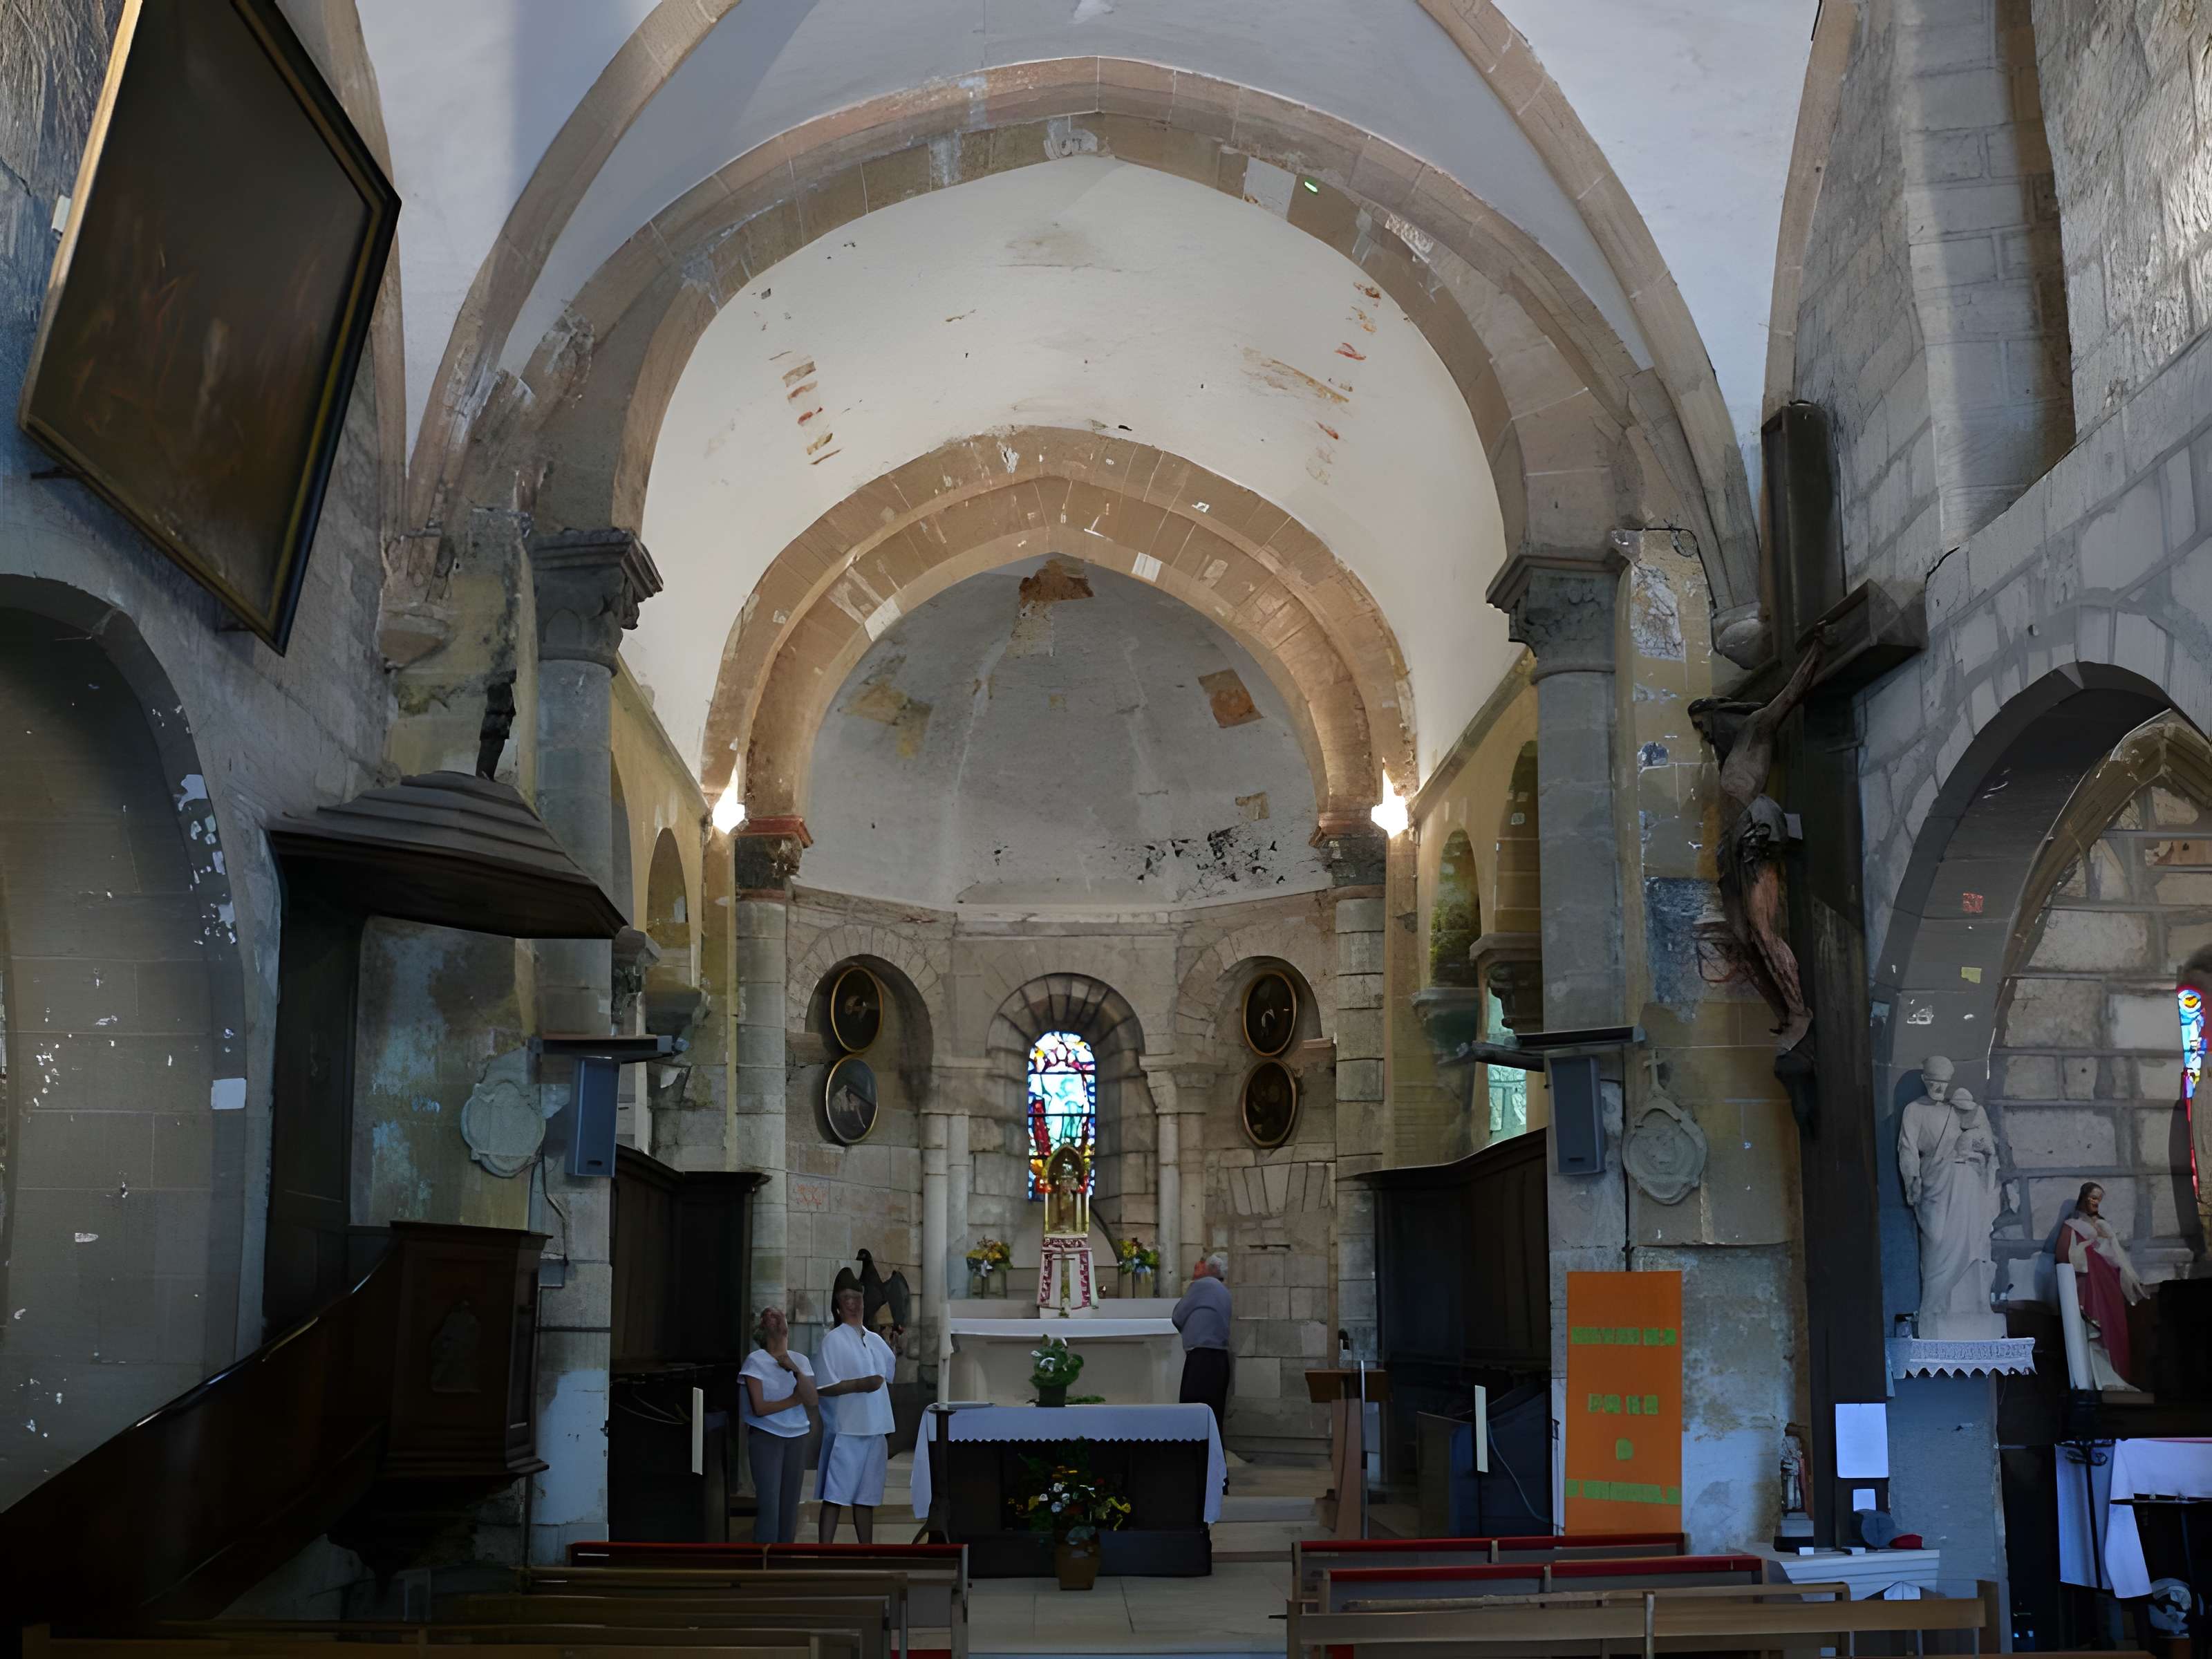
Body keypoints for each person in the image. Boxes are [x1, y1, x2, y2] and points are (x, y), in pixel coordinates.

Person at [814, 1284, 897, 1541]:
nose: (853, 1303)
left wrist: (894, 1344)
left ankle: (867, 1552)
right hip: (848, 1429)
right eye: (846, 1299)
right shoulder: (834, 1339)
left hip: (876, 1427)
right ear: (838, 1307)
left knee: (867, 1497)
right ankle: (823, 1553)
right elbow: (823, 1387)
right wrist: (859, 1385)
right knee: (834, 1495)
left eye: (857, 1298)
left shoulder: (874, 1340)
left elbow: (889, 1375)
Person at [739, 1306, 819, 1544]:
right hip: (767, 1436)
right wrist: (793, 1400)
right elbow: (760, 1408)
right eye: (767, 1317)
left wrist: (794, 1370)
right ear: (762, 1329)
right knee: (770, 1504)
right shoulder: (756, 1360)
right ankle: (764, 1563)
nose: (773, 1318)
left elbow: (812, 1399)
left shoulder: (801, 1360)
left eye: (778, 1315)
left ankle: (785, 1558)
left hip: (797, 1436)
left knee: (789, 1505)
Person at [2056, 1181, 2146, 1387]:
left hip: (2109, 1285)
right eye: (2093, 1198)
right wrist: (2087, 1249)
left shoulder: (2103, 1225)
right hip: (2088, 1286)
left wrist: (2106, 1241)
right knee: (2092, 1334)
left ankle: (2118, 1376)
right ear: (2084, 1198)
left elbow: (2116, 1258)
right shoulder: (2071, 1227)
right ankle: (2097, 1379)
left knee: (2113, 1328)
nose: (2097, 1203)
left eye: (2099, 1199)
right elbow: (2064, 1257)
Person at [1172, 1250, 1232, 1444]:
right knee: (1214, 1417)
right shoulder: (1224, 1291)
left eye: (1201, 1264)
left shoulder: (1202, 1286)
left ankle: (1196, 1470)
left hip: (1202, 1359)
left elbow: (1178, 1316)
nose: (1197, 1267)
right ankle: (1216, 1470)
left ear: (1210, 1269)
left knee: (1193, 1417)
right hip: (1220, 1359)